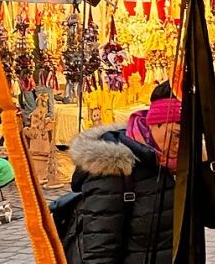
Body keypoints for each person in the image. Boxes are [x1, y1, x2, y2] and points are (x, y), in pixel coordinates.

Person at [64, 84, 182, 264]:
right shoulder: (114, 169)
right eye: (175, 135)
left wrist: (205, 165)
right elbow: (100, 249)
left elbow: (213, 219)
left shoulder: (178, 165)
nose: (179, 144)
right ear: (153, 125)